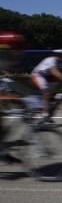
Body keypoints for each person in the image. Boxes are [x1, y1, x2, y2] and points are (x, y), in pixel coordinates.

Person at [0, 31, 26, 162]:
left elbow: (14, 79)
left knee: (3, 123)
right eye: (15, 52)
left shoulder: (6, 60)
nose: (17, 56)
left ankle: (2, 151)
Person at [31, 49, 62, 121]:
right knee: (46, 93)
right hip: (38, 75)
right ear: (59, 55)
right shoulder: (51, 60)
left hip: (46, 76)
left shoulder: (59, 61)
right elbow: (55, 72)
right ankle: (45, 115)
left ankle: (53, 96)